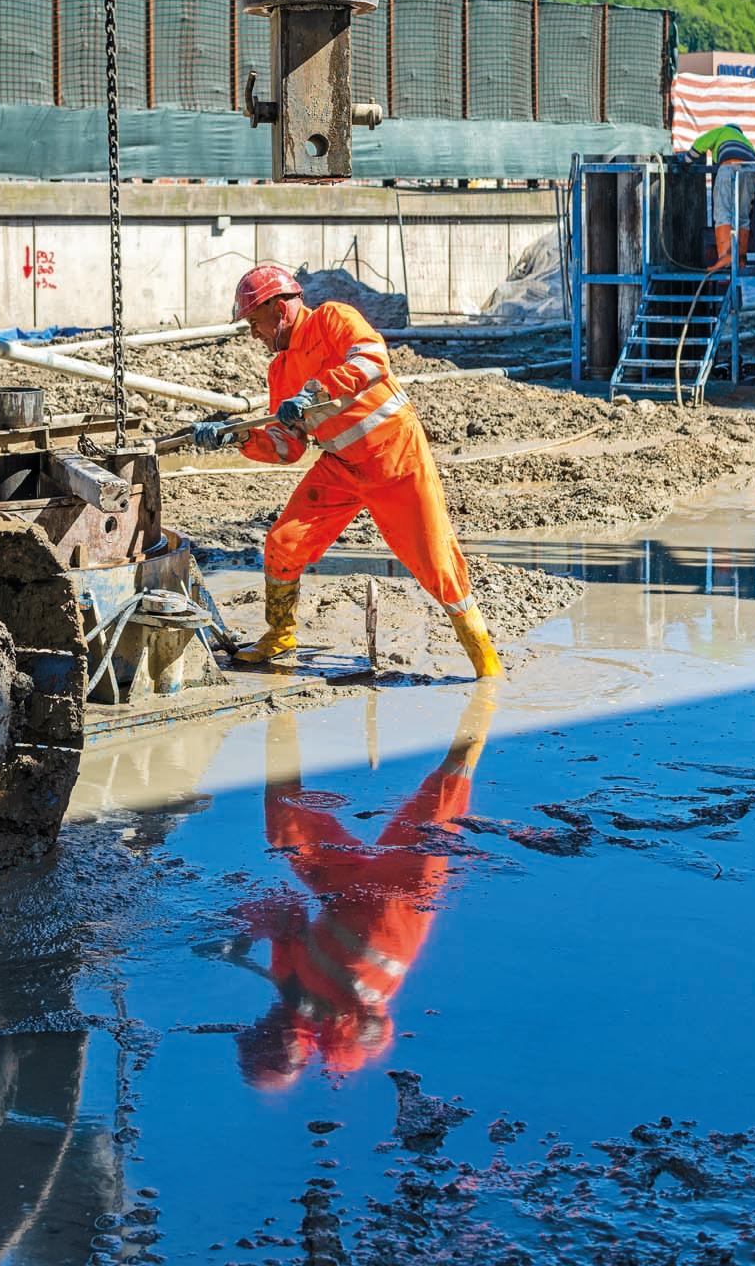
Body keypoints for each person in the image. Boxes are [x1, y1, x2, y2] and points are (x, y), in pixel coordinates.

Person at [193, 264, 502, 675]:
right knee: (283, 544)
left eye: (255, 322)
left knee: (436, 564)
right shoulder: (280, 370)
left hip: (395, 458)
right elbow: (287, 447)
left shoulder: (333, 319)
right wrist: (238, 438)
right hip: (342, 467)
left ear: (279, 309)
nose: (254, 334)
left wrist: (315, 390)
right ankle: (281, 635)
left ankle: (485, 661)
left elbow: (373, 361)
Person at [231, 695, 495, 1087]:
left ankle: (282, 715)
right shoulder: (340, 1051)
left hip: (346, 892)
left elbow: (287, 913)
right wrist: (338, 1017)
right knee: (445, 792)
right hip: (404, 896)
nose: (269, 1031)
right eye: (272, 1045)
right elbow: (376, 1032)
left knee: (286, 830)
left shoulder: (288, 980)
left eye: (260, 1036)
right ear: (299, 1059)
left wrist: (242, 929)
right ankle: (485, 703)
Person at [687, 122, 755, 270]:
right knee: (743, 215)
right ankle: (740, 259)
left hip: (729, 166)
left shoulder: (722, 132)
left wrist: (687, 159)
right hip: (751, 170)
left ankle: (725, 257)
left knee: (723, 211)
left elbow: (701, 143)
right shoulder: (747, 142)